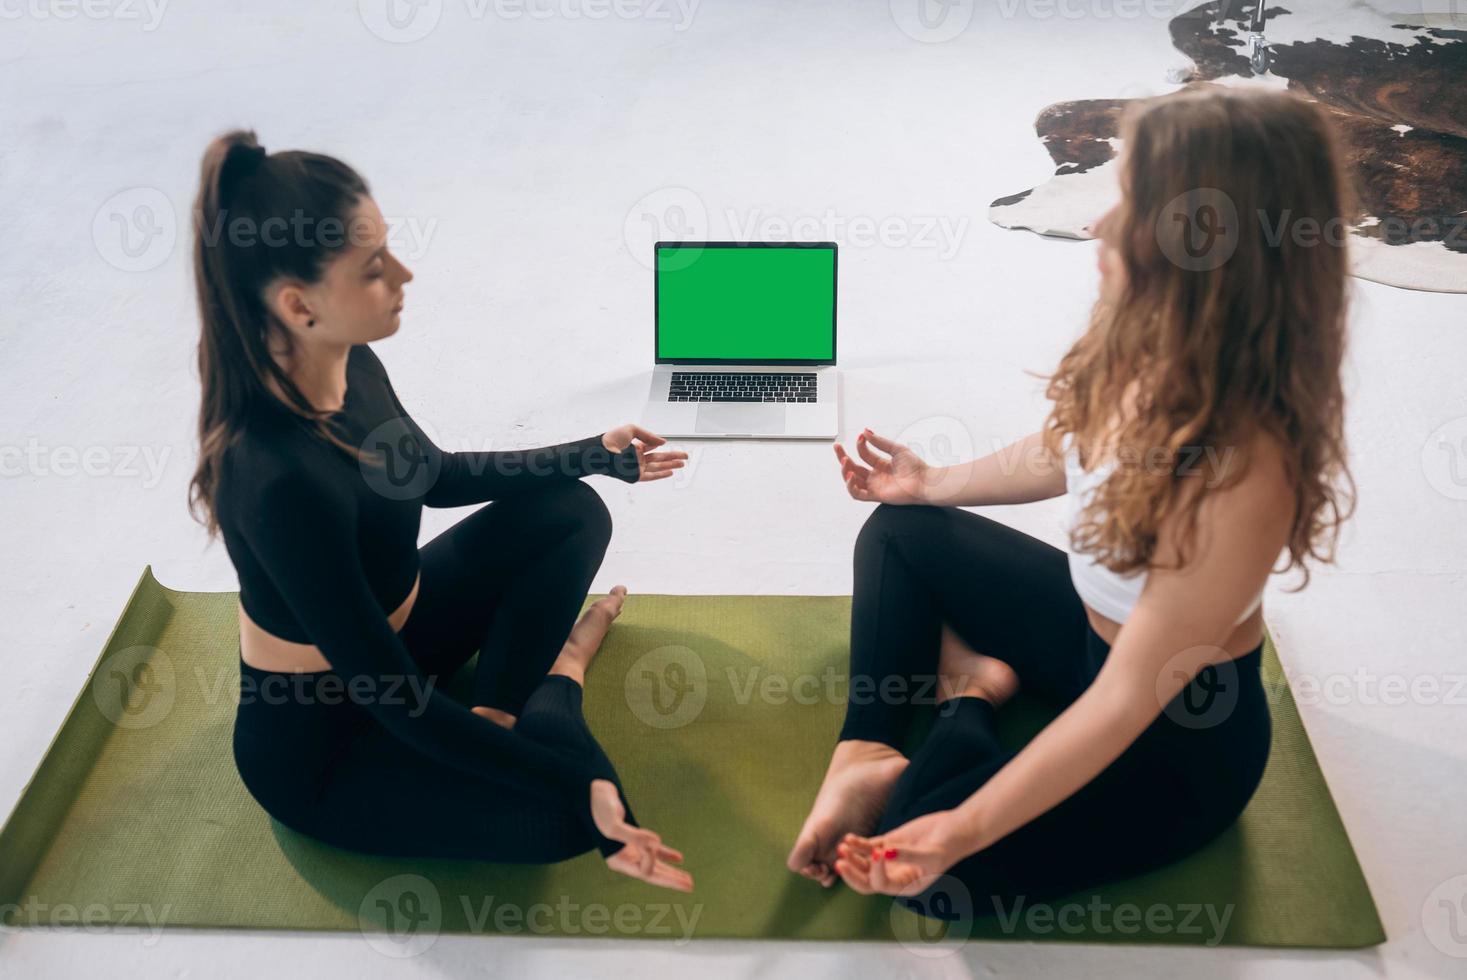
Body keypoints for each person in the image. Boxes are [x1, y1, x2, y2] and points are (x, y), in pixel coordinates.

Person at [787, 87, 1358, 919]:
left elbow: (1127, 698)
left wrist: (958, 831)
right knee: (899, 530)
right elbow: (1068, 448)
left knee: (927, 872)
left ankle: (970, 699)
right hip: (1086, 639)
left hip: (1174, 749)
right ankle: (866, 752)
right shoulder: (1148, 329)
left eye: (1128, 204)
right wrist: (932, 484)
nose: (1096, 224)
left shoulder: (1247, 468)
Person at [187, 129, 692, 892]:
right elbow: (397, 704)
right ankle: (559, 679)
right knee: (565, 819)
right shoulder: (274, 478)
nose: (404, 274)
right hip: (330, 740)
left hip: (410, 638)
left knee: (569, 511)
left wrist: (596, 451)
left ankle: (496, 711)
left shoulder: (351, 362)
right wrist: (576, 791)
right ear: (300, 305)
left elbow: (433, 477)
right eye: (373, 268)